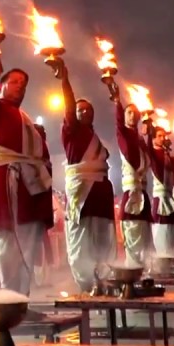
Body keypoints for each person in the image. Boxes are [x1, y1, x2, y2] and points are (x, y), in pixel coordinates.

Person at [0, 67, 52, 297]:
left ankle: (22, 299)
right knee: (7, 236)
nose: (21, 85)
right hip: (6, 178)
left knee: (28, 241)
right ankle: (8, 298)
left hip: (28, 185)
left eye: (24, 83)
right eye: (16, 81)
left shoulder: (24, 118)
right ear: (1, 86)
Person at [55, 60, 114, 290]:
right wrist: (65, 81)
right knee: (80, 245)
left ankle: (106, 281)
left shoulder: (94, 137)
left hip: (101, 197)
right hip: (81, 196)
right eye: (80, 110)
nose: (84, 112)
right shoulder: (71, 132)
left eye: (88, 110)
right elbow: (69, 108)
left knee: (103, 242)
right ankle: (86, 284)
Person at [112, 96, 155, 267]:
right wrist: (117, 102)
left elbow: (150, 157)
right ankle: (132, 275)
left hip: (143, 194)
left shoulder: (140, 140)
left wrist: (150, 136)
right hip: (131, 195)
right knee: (132, 239)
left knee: (145, 240)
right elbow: (118, 126)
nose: (133, 115)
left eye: (135, 113)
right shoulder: (124, 135)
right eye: (129, 112)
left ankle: (145, 274)